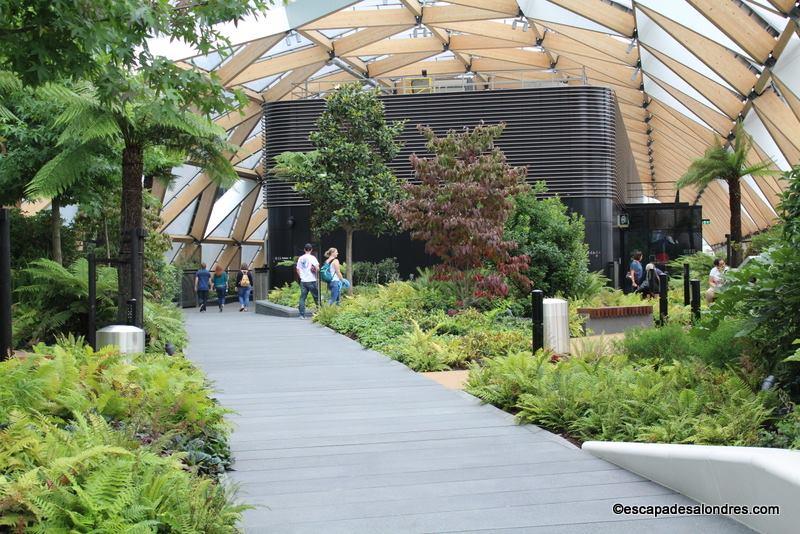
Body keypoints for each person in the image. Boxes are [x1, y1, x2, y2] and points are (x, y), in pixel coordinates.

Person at [296, 243, 319, 319]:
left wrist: (301, 276)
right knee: (316, 297)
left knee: (302, 298)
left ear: (304, 249)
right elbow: (317, 268)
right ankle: (320, 312)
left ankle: (302, 315)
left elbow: (298, 269)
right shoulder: (313, 258)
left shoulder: (300, 258)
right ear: (311, 249)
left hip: (303, 281)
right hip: (312, 280)